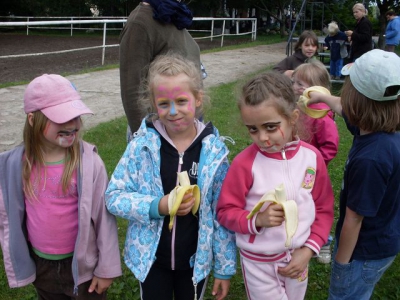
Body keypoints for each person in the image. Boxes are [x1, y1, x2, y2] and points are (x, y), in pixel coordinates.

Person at [105, 54, 236, 300]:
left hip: (195, 263)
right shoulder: (141, 147)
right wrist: (159, 205)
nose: (173, 111)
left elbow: (222, 213)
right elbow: (114, 196)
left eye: (182, 101)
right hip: (152, 261)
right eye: (164, 103)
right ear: (153, 104)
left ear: (198, 99)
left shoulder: (214, 152)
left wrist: (225, 269)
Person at [0, 74, 122, 299]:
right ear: (32, 119)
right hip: (42, 266)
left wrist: (107, 269)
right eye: (61, 117)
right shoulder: (17, 164)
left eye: (75, 116)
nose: (72, 124)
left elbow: (104, 218)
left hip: (83, 267)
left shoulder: (89, 163)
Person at [216, 71, 334, 300]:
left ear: (293, 118)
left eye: (271, 127)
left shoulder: (312, 158)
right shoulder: (244, 164)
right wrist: (256, 220)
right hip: (259, 263)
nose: (262, 137)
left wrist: (309, 249)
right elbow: (224, 212)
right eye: (253, 129)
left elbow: (324, 209)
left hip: (299, 259)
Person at [309, 49, 400, 299]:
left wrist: (341, 266)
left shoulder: (371, 159)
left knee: (347, 294)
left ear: (354, 96)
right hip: (383, 238)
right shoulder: (376, 126)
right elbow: (343, 108)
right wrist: (322, 97)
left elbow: (354, 219)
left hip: (364, 252)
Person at [119, 0, 201, 139]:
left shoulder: (171, 14)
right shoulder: (139, 23)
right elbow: (132, 91)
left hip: (185, 127)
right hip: (159, 133)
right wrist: (146, 139)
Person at [292, 60, 339, 265]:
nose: (298, 87)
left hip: (311, 170)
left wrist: (315, 163)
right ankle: (300, 233)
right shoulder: (297, 108)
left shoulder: (321, 115)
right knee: (299, 200)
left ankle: (324, 240)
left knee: (316, 203)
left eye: (304, 84)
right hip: (296, 165)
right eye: (296, 82)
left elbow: (330, 146)